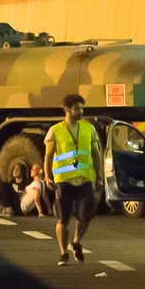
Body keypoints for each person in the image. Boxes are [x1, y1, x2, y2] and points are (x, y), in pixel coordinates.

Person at [45, 93, 103, 265]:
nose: (81, 111)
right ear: (67, 109)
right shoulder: (55, 130)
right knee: (63, 218)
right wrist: (48, 176)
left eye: (82, 108)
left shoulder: (88, 128)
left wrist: (98, 176)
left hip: (85, 179)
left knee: (86, 216)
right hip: (64, 181)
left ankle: (76, 242)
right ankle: (63, 253)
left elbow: (96, 154)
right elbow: (48, 156)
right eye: (77, 108)